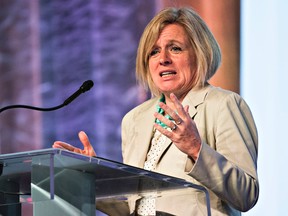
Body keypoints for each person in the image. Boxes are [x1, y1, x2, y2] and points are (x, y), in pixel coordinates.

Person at [53, 7, 259, 216]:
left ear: (200, 53)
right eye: (154, 51)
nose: (163, 59)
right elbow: (136, 207)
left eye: (175, 48)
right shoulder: (134, 119)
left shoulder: (223, 105)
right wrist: (92, 177)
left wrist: (196, 149)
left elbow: (246, 194)